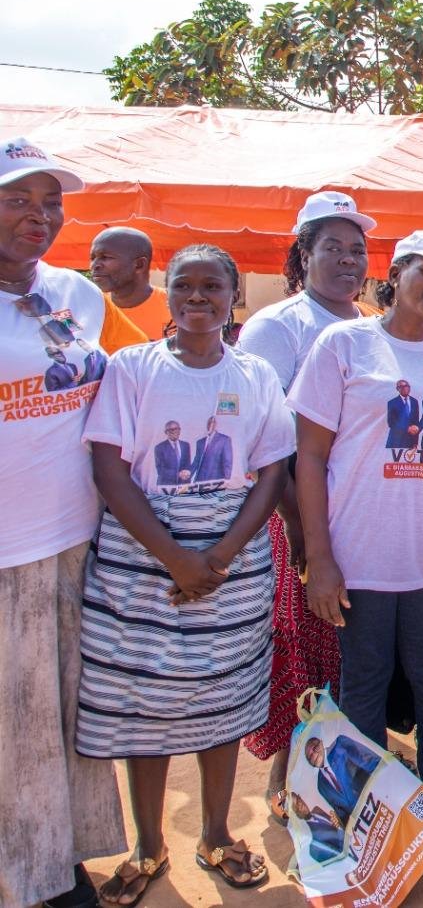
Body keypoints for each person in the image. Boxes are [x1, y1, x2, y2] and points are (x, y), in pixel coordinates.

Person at [79, 243, 293, 900]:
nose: (197, 297)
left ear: (234, 296)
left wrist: (218, 557)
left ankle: (217, 834)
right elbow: (110, 468)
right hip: (143, 553)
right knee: (144, 701)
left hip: (234, 557)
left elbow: (272, 471)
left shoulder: (255, 373)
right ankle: (148, 846)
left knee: (220, 697)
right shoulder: (132, 367)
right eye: (184, 286)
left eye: (212, 286)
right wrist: (176, 557)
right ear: (166, 292)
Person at [292, 228, 423, 859]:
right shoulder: (344, 344)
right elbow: (309, 455)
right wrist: (319, 558)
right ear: (396, 273)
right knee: (364, 687)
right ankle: (364, 819)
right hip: (359, 561)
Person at [0, 138, 143, 908]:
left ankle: (61, 859)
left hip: (79, 541)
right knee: (14, 725)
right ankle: (27, 878)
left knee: (72, 716)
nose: (40, 216)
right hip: (6, 551)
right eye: (17, 199)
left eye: (50, 203)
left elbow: (136, 379)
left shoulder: (75, 296)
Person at [235, 190, 380, 819]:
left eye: (358, 250)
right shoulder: (278, 326)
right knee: (304, 646)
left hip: (363, 512)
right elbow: (267, 439)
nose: (349, 261)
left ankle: (346, 765)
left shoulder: (371, 323)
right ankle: (290, 773)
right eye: (333, 248)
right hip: (300, 513)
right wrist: (300, 526)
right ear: (304, 254)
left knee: (351, 645)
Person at [90, 226, 170, 339]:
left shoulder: (176, 307)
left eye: (105, 257)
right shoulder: (91, 309)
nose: (95, 265)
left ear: (139, 265)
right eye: (93, 258)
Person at [302, 734, 381, 826]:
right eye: (309, 757)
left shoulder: (340, 745)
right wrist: (339, 822)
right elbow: (342, 815)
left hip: (380, 798)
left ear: (321, 743)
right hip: (365, 824)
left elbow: (371, 762)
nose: (313, 755)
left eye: (314, 748)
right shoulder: (321, 786)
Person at [155, 420, 192, 486]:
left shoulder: (185, 445)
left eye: (177, 429)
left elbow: (187, 464)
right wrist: (178, 474)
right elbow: (160, 470)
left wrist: (187, 473)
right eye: (172, 429)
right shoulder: (159, 448)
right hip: (166, 485)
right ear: (166, 432)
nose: (175, 431)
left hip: (183, 484)